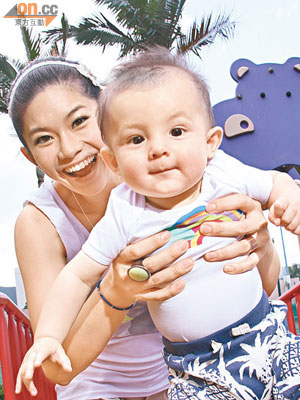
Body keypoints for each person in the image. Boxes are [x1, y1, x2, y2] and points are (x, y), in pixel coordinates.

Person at [11, 56, 281, 400]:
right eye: (45, 139)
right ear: (31, 155)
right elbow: (55, 366)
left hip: (189, 367)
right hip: (102, 384)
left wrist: (262, 244)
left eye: (80, 121)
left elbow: (263, 284)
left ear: (106, 114)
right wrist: (117, 292)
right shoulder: (51, 220)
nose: (69, 149)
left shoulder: (199, 173)